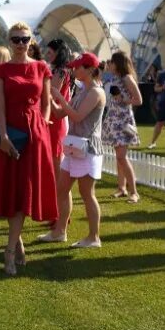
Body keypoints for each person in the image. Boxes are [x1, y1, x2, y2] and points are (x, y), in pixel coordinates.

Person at [0, 22, 57, 276]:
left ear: (31, 41)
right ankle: (17, 242)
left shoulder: (41, 68)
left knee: (25, 191)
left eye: (24, 39)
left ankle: (9, 250)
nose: (20, 44)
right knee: (8, 190)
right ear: (8, 41)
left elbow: (46, 103)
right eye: (15, 39)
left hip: (35, 136)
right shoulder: (0, 71)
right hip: (8, 133)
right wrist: (2, 137)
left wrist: (43, 122)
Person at [38, 52, 106, 247]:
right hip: (74, 146)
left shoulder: (96, 92)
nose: (74, 70)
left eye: (78, 67)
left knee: (87, 194)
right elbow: (61, 113)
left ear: (90, 70)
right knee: (61, 190)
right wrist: (51, 99)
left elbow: (76, 116)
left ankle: (94, 237)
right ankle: (60, 231)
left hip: (88, 148)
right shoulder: (83, 90)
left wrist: (59, 96)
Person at [102, 52, 143, 203]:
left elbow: (139, 100)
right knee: (119, 157)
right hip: (114, 119)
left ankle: (134, 192)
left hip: (123, 120)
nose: (109, 64)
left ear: (117, 63)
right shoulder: (114, 77)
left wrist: (123, 98)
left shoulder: (127, 78)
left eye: (111, 62)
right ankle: (122, 188)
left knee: (122, 157)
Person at [44, 39, 72, 165]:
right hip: (51, 115)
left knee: (55, 158)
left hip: (55, 118)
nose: (47, 55)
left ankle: (57, 185)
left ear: (58, 53)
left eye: (50, 52)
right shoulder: (57, 70)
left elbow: (50, 94)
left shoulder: (61, 72)